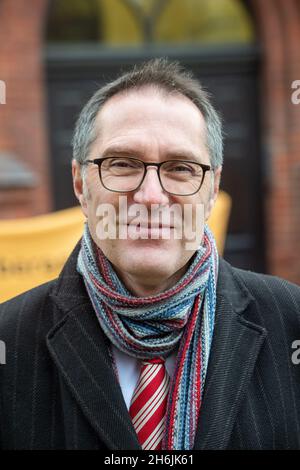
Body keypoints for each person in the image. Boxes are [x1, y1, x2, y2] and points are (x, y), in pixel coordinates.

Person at [0, 58, 300, 451]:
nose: (151, 197)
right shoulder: (10, 341)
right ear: (79, 183)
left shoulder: (292, 321)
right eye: (122, 163)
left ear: (212, 188)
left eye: (180, 167)